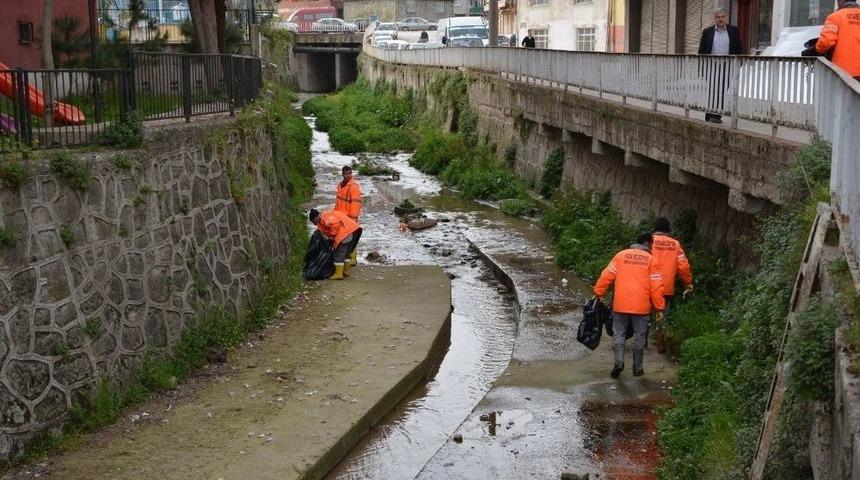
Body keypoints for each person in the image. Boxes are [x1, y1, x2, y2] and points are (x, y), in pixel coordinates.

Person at [593, 233, 665, 378]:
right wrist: (659, 308)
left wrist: (598, 292)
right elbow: (656, 287)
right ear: (647, 244)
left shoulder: (621, 256)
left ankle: (618, 362)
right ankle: (637, 367)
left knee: (619, 333)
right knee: (640, 335)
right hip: (642, 306)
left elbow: (607, 276)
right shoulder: (652, 260)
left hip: (621, 304)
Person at [651, 218, 694, 351]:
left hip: (648, 284)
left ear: (655, 229)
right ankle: (660, 344)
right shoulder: (675, 244)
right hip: (666, 287)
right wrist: (688, 283)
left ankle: (642, 343)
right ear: (668, 230)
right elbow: (683, 267)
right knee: (662, 315)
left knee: (644, 313)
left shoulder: (649, 242)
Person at [698, 8, 742, 124]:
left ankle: (715, 115)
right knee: (713, 90)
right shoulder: (707, 32)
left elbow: (738, 48)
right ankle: (713, 115)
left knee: (722, 90)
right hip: (712, 65)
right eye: (718, 17)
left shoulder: (733, 31)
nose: (720, 19)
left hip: (727, 65)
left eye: (722, 17)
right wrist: (701, 68)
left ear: (726, 17)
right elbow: (701, 51)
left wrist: (738, 64)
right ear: (715, 19)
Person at [309, 208, 362, 280]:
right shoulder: (327, 215)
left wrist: (332, 235)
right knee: (346, 254)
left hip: (344, 235)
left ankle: (339, 274)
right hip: (352, 231)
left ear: (315, 217)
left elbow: (335, 224)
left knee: (338, 255)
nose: (314, 224)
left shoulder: (324, 217)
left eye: (313, 222)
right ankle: (345, 271)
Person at [815, 0, 860, 80]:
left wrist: (817, 49)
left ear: (841, 1)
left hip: (843, 72)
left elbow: (826, 42)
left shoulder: (836, 17)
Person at [334, 165, 362, 266]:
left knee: (350, 239)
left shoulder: (353, 187)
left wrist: (353, 220)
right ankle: (349, 257)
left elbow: (356, 204)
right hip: (340, 216)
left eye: (350, 173)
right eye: (346, 174)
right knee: (345, 239)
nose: (348, 176)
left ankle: (353, 258)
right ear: (342, 174)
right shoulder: (340, 185)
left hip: (349, 218)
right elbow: (338, 202)